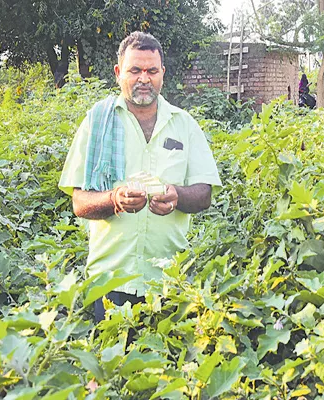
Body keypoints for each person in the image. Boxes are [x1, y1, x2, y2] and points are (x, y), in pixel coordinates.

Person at [59, 32, 222, 321]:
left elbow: (204, 193)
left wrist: (177, 196)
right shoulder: (97, 122)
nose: (144, 78)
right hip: (110, 280)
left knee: (167, 364)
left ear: (163, 74)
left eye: (152, 70)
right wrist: (114, 199)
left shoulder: (184, 125)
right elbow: (79, 202)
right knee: (112, 364)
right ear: (119, 73)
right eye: (135, 70)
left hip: (169, 279)